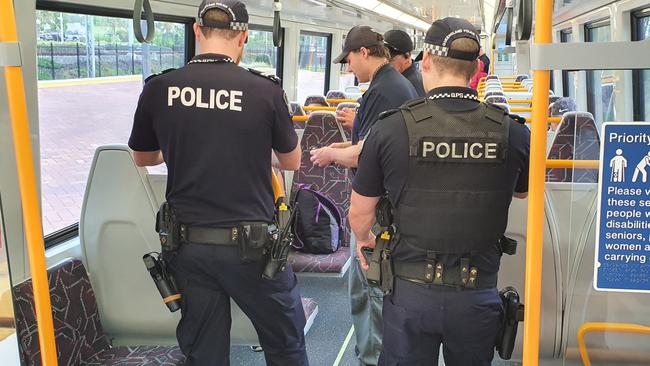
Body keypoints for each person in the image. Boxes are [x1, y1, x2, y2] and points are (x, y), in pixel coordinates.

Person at [128, 1, 308, 365]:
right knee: (285, 340)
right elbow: (291, 162)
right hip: (253, 249)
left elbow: (144, 157)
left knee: (204, 351)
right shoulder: (265, 91)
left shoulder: (160, 87)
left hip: (187, 247)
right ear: (243, 37)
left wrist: (179, 145)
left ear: (197, 31)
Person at [349, 17, 530, 366]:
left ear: (426, 61)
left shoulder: (391, 129)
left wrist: (363, 240)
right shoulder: (513, 132)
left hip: (410, 293)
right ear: (477, 67)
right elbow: (521, 193)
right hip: (478, 292)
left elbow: (360, 214)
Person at [311, 25, 418, 366]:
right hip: (383, 203)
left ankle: (372, 357)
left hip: (377, 209)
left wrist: (331, 156)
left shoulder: (385, 91)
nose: (348, 68)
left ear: (365, 53)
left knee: (370, 292)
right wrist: (338, 147)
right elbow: (367, 143)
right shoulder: (389, 86)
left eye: (350, 60)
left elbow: (365, 155)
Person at [384, 29, 426, 97]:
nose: (385, 64)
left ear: (407, 56)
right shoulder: (397, 77)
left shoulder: (412, 85)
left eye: (390, 60)